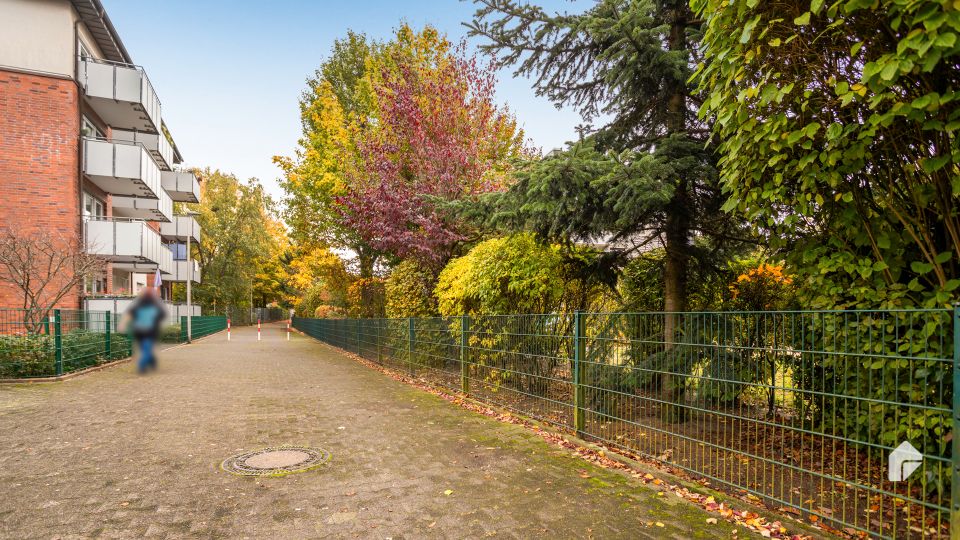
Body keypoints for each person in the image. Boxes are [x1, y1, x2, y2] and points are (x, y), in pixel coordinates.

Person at [124, 286, 167, 374]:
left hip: (139, 331)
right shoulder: (155, 304)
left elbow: (131, 314)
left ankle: (144, 365)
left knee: (145, 349)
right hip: (150, 331)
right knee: (147, 349)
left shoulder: (138, 303)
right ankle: (149, 362)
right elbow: (162, 315)